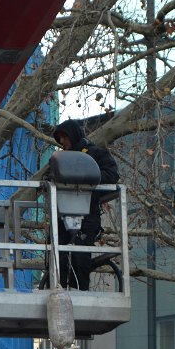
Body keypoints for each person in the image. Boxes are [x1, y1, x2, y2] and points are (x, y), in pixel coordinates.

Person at [52, 118, 119, 290]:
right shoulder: (60, 159)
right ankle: (58, 289)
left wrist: (86, 177)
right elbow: (48, 177)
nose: (61, 142)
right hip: (61, 215)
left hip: (87, 216)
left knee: (80, 257)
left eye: (64, 138)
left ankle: (79, 291)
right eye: (59, 139)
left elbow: (112, 176)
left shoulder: (96, 153)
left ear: (72, 136)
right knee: (58, 257)